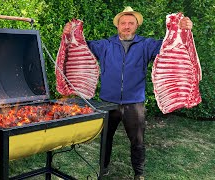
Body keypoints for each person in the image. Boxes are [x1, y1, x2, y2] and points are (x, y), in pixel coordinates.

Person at [63, 6, 193, 180]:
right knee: (105, 140)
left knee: (138, 142)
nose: (127, 26)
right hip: (108, 102)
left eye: (131, 23)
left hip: (134, 103)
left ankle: (139, 174)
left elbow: (170, 45)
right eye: (123, 23)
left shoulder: (147, 45)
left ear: (136, 26)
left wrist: (183, 29)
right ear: (117, 26)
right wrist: (68, 33)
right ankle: (103, 170)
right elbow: (79, 46)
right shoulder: (105, 45)